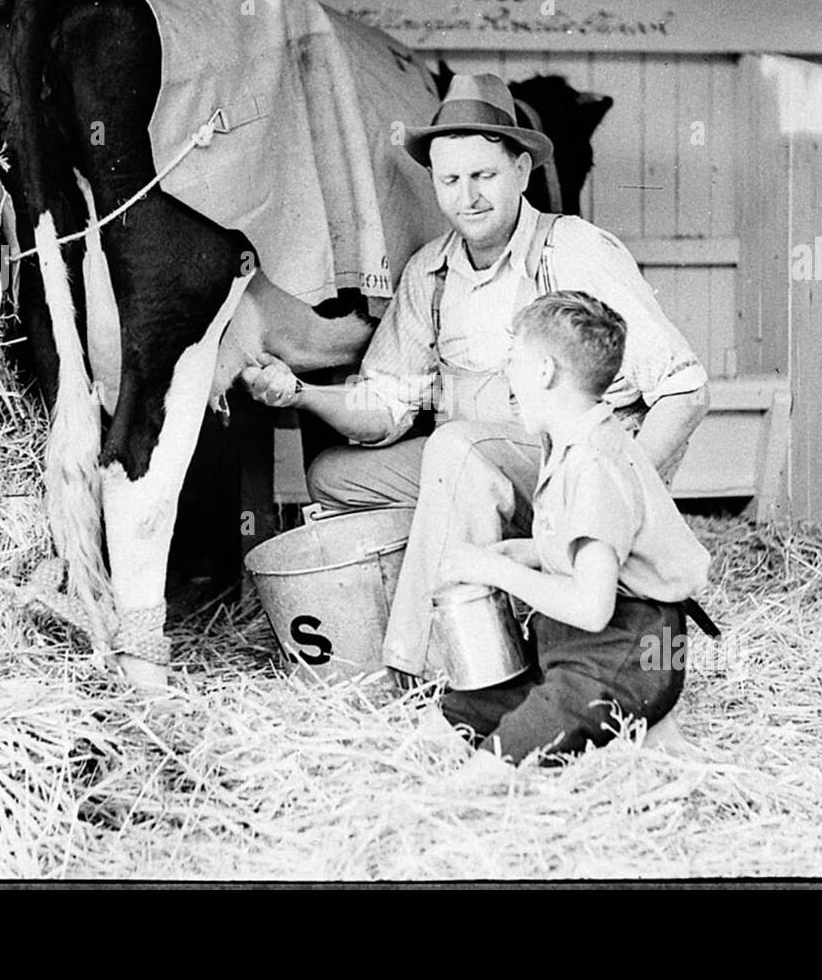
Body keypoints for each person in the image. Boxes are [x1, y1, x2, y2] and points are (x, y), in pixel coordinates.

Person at [241, 72, 709, 683]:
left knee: (457, 444)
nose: (469, 197)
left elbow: (685, 387)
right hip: (479, 469)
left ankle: (420, 662)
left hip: (568, 465)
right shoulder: (429, 272)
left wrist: (616, 497)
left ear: (520, 169)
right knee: (332, 476)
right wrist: (303, 393)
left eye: (485, 176)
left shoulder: (572, 249)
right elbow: (384, 406)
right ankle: (472, 589)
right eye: (450, 179)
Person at [434, 290, 712, 768]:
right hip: (583, 650)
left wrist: (490, 569)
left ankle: (642, 726)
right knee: (453, 717)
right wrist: (530, 551)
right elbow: (599, 548)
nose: (508, 376)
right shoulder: (583, 440)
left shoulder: (592, 464)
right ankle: (646, 735)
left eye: (513, 361)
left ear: (543, 371)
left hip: (627, 650)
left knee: (496, 759)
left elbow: (590, 606)